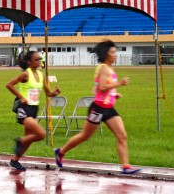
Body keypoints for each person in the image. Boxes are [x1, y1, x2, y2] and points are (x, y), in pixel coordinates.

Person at [54, 40, 142, 175]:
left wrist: (114, 95)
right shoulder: (103, 68)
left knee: (122, 135)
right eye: (112, 52)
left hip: (108, 108)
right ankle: (60, 152)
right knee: (85, 136)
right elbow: (102, 87)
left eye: (115, 52)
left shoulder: (109, 69)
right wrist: (119, 83)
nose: (115, 55)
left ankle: (125, 166)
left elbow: (101, 89)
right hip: (98, 109)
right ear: (105, 54)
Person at [5, 50, 61, 171]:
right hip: (24, 109)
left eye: (41, 59)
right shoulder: (25, 74)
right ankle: (20, 141)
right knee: (41, 134)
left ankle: (15, 160)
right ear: (30, 62)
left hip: (34, 109)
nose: (40, 61)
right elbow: (9, 84)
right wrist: (21, 97)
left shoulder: (41, 76)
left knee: (29, 138)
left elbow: (48, 93)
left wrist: (54, 93)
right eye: (37, 59)